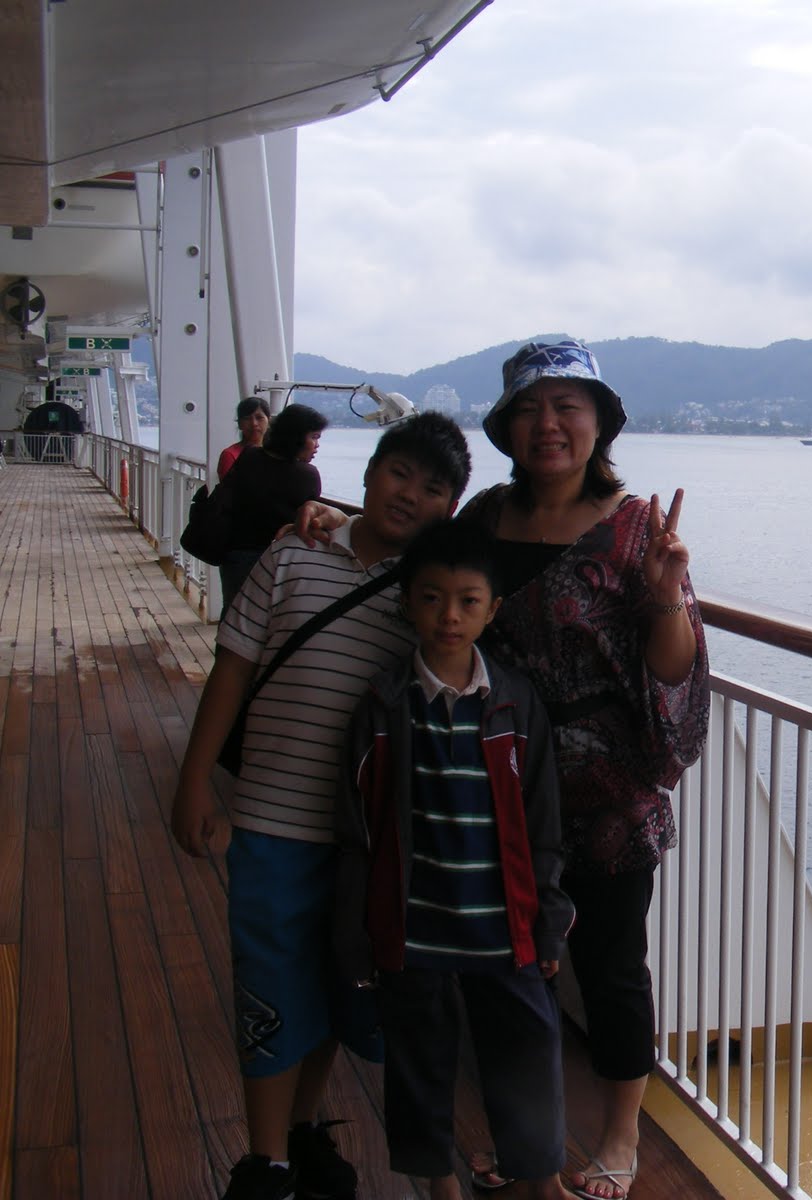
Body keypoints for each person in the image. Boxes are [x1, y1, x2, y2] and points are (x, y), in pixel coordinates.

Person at [296, 340, 710, 1199]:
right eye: (528, 408)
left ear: (600, 423)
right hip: (493, 781)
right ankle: (519, 1141)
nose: (547, 424)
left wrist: (668, 592)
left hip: (604, 794)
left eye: (567, 406)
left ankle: (620, 1135)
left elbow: (674, 670)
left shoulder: (639, 528)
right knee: (501, 973)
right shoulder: (486, 517)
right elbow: (406, 556)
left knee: (610, 965)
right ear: (507, 428)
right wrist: (325, 520)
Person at [170, 413, 472, 1200]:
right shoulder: (293, 552)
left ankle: (302, 1133)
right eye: (398, 472)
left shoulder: (427, 593)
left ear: (449, 507)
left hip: (363, 838)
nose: (409, 494)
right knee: (269, 989)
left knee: (339, 989)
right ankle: (264, 1161)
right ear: (367, 472)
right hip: (271, 820)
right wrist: (193, 779)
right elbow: (233, 668)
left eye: (432, 488)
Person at [334, 519, 580, 1200]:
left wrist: (549, 921)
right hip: (413, 928)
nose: (449, 615)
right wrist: (357, 933)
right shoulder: (384, 705)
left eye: (468, 600)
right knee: (419, 1061)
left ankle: (542, 1182)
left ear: (492, 609)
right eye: (432, 597)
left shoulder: (515, 702)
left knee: (529, 1052)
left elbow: (543, 825)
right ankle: (440, 1184)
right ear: (407, 602)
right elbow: (356, 831)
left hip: (505, 925)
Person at [217, 402, 328, 611]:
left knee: (233, 613)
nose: (317, 445)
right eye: (314, 437)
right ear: (296, 437)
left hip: (235, 552)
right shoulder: (307, 475)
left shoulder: (248, 456)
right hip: (280, 558)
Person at [218, 395, 271, 479]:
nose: (254, 423)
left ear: (269, 421)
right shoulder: (230, 455)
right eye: (247, 418)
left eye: (259, 418)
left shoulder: (274, 453)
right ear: (239, 424)